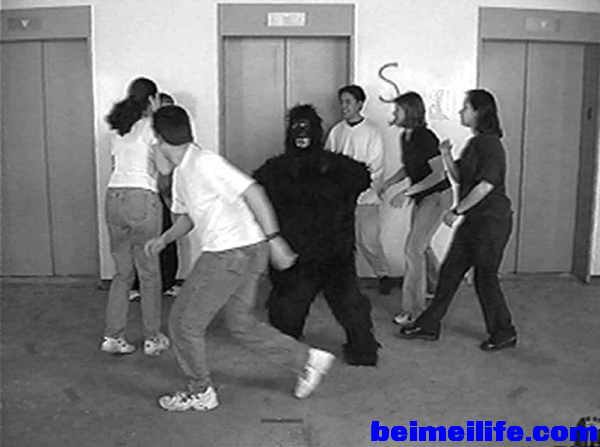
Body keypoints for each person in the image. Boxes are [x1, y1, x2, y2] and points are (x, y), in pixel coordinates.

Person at [145, 105, 335, 412]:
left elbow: (253, 191)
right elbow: (188, 217)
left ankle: (200, 391)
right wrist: (163, 239)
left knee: (183, 324)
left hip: (230, 253)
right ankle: (307, 360)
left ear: (160, 140)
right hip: (243, 251)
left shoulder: (204, 162)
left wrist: (275, 239)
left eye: (154, 141)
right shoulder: (183, 172)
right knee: (240, 322)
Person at [255, 104, 380, 366]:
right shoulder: (276, 170)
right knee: (288, 310)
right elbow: (256, 193)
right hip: (299, 254)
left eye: (306, 127)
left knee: (348, 304)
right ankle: (288, 346)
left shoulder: (337, 167)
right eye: (296, 127)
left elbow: (361, 178)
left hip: (331, 251)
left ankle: (362, 349)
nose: (301, 133)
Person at [397, 89, 517, 352]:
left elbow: (485, 186)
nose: (462, 111)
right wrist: (447, 155)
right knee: (450, 273)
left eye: (466, 107)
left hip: (491, 222)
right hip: (474, 222)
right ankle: (429, 325)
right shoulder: (475, 143)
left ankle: (504, 332)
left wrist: (457, 210)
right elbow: (460, 177)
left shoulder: (491, 144)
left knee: (485, 279)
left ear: (479, 112)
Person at [102, 77, 171, 356]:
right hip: (142, 198)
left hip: (113, 197)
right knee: (149, 273)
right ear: (152, 100)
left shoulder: (118, 129)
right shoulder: (152, 128)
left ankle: (113, 337)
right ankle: (153, 338)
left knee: (122, 273)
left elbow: (115, 164)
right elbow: (164, 169)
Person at [378, 92, 452, 326]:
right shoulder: (406, 137)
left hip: (437, 196)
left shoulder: (426, 137)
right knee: (421, 246)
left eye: (398, 110)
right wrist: (390, 183)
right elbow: (409, 168)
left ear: (410, 111)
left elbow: (437, 175)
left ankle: (414, 311)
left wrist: (407, 192)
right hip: (423, 196)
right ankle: (439, 289)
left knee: (413, 249)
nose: (394, 113)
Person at [325, 85, 393, 295]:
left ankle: (383, 275)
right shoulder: (337, 131)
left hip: (366, 198)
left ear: (360, 104)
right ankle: (343, 280)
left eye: (348, 102)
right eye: (342, 102)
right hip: (340, 198)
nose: (344, 107)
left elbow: (376, 166)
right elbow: (327, 160)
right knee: (340, 241)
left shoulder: (372, 132)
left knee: (368, 240)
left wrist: (360, 187)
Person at [129, 91, 179, 302]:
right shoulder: (139, 132)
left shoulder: (172, 135)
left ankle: (168, 283)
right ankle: (137, 285)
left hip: (164, 193)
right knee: (141, 241)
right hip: (143, 192)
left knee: (168, 238)